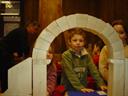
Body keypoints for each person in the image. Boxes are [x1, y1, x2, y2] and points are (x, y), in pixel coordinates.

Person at [60, 28, 107, 95]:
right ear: (69, 42)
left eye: (81, 40)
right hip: (68, 88)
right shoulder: (66, 55)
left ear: (84, 42)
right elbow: (70, 74)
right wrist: (80, 87)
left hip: (82, 87)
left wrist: (101, 83)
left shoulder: (86, 55)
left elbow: (94, 70)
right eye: (75, 40)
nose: (78, 42)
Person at [0, 21, 40, 93]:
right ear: (30, 26)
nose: (35, 32)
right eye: (35, 29)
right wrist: (21, 56)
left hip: (6, 52)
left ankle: (6, 89)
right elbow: (22, 47)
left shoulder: (23, 32)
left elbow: (24, 47)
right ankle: (5, 90)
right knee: (5, 71)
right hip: (3, 52)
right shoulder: (22, 32)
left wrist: (21, 55)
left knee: (6, 71)